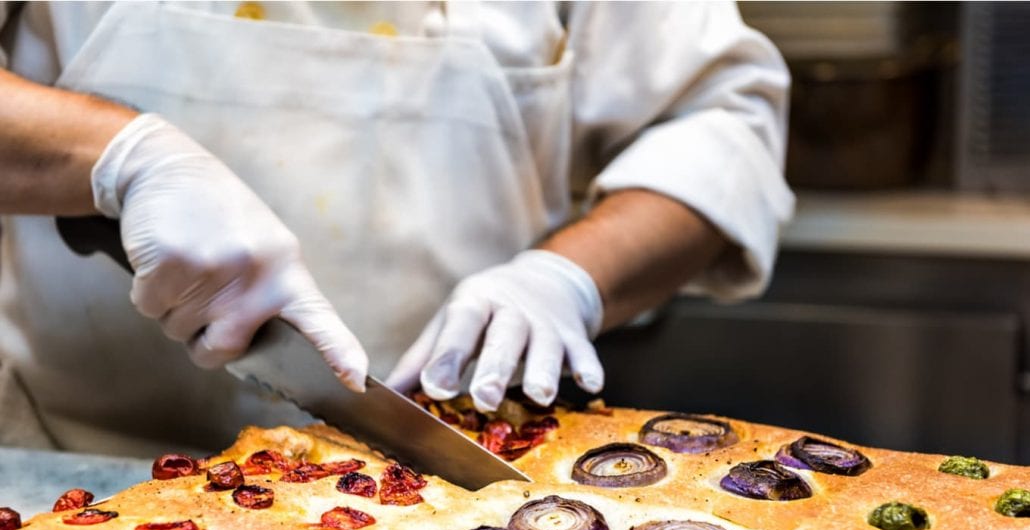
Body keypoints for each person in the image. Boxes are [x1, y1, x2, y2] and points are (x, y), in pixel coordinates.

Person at [0, 1, 793, 457]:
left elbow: (720, 123)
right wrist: (119, 157)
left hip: (456, 479)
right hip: (74, 467)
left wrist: (568, 278)